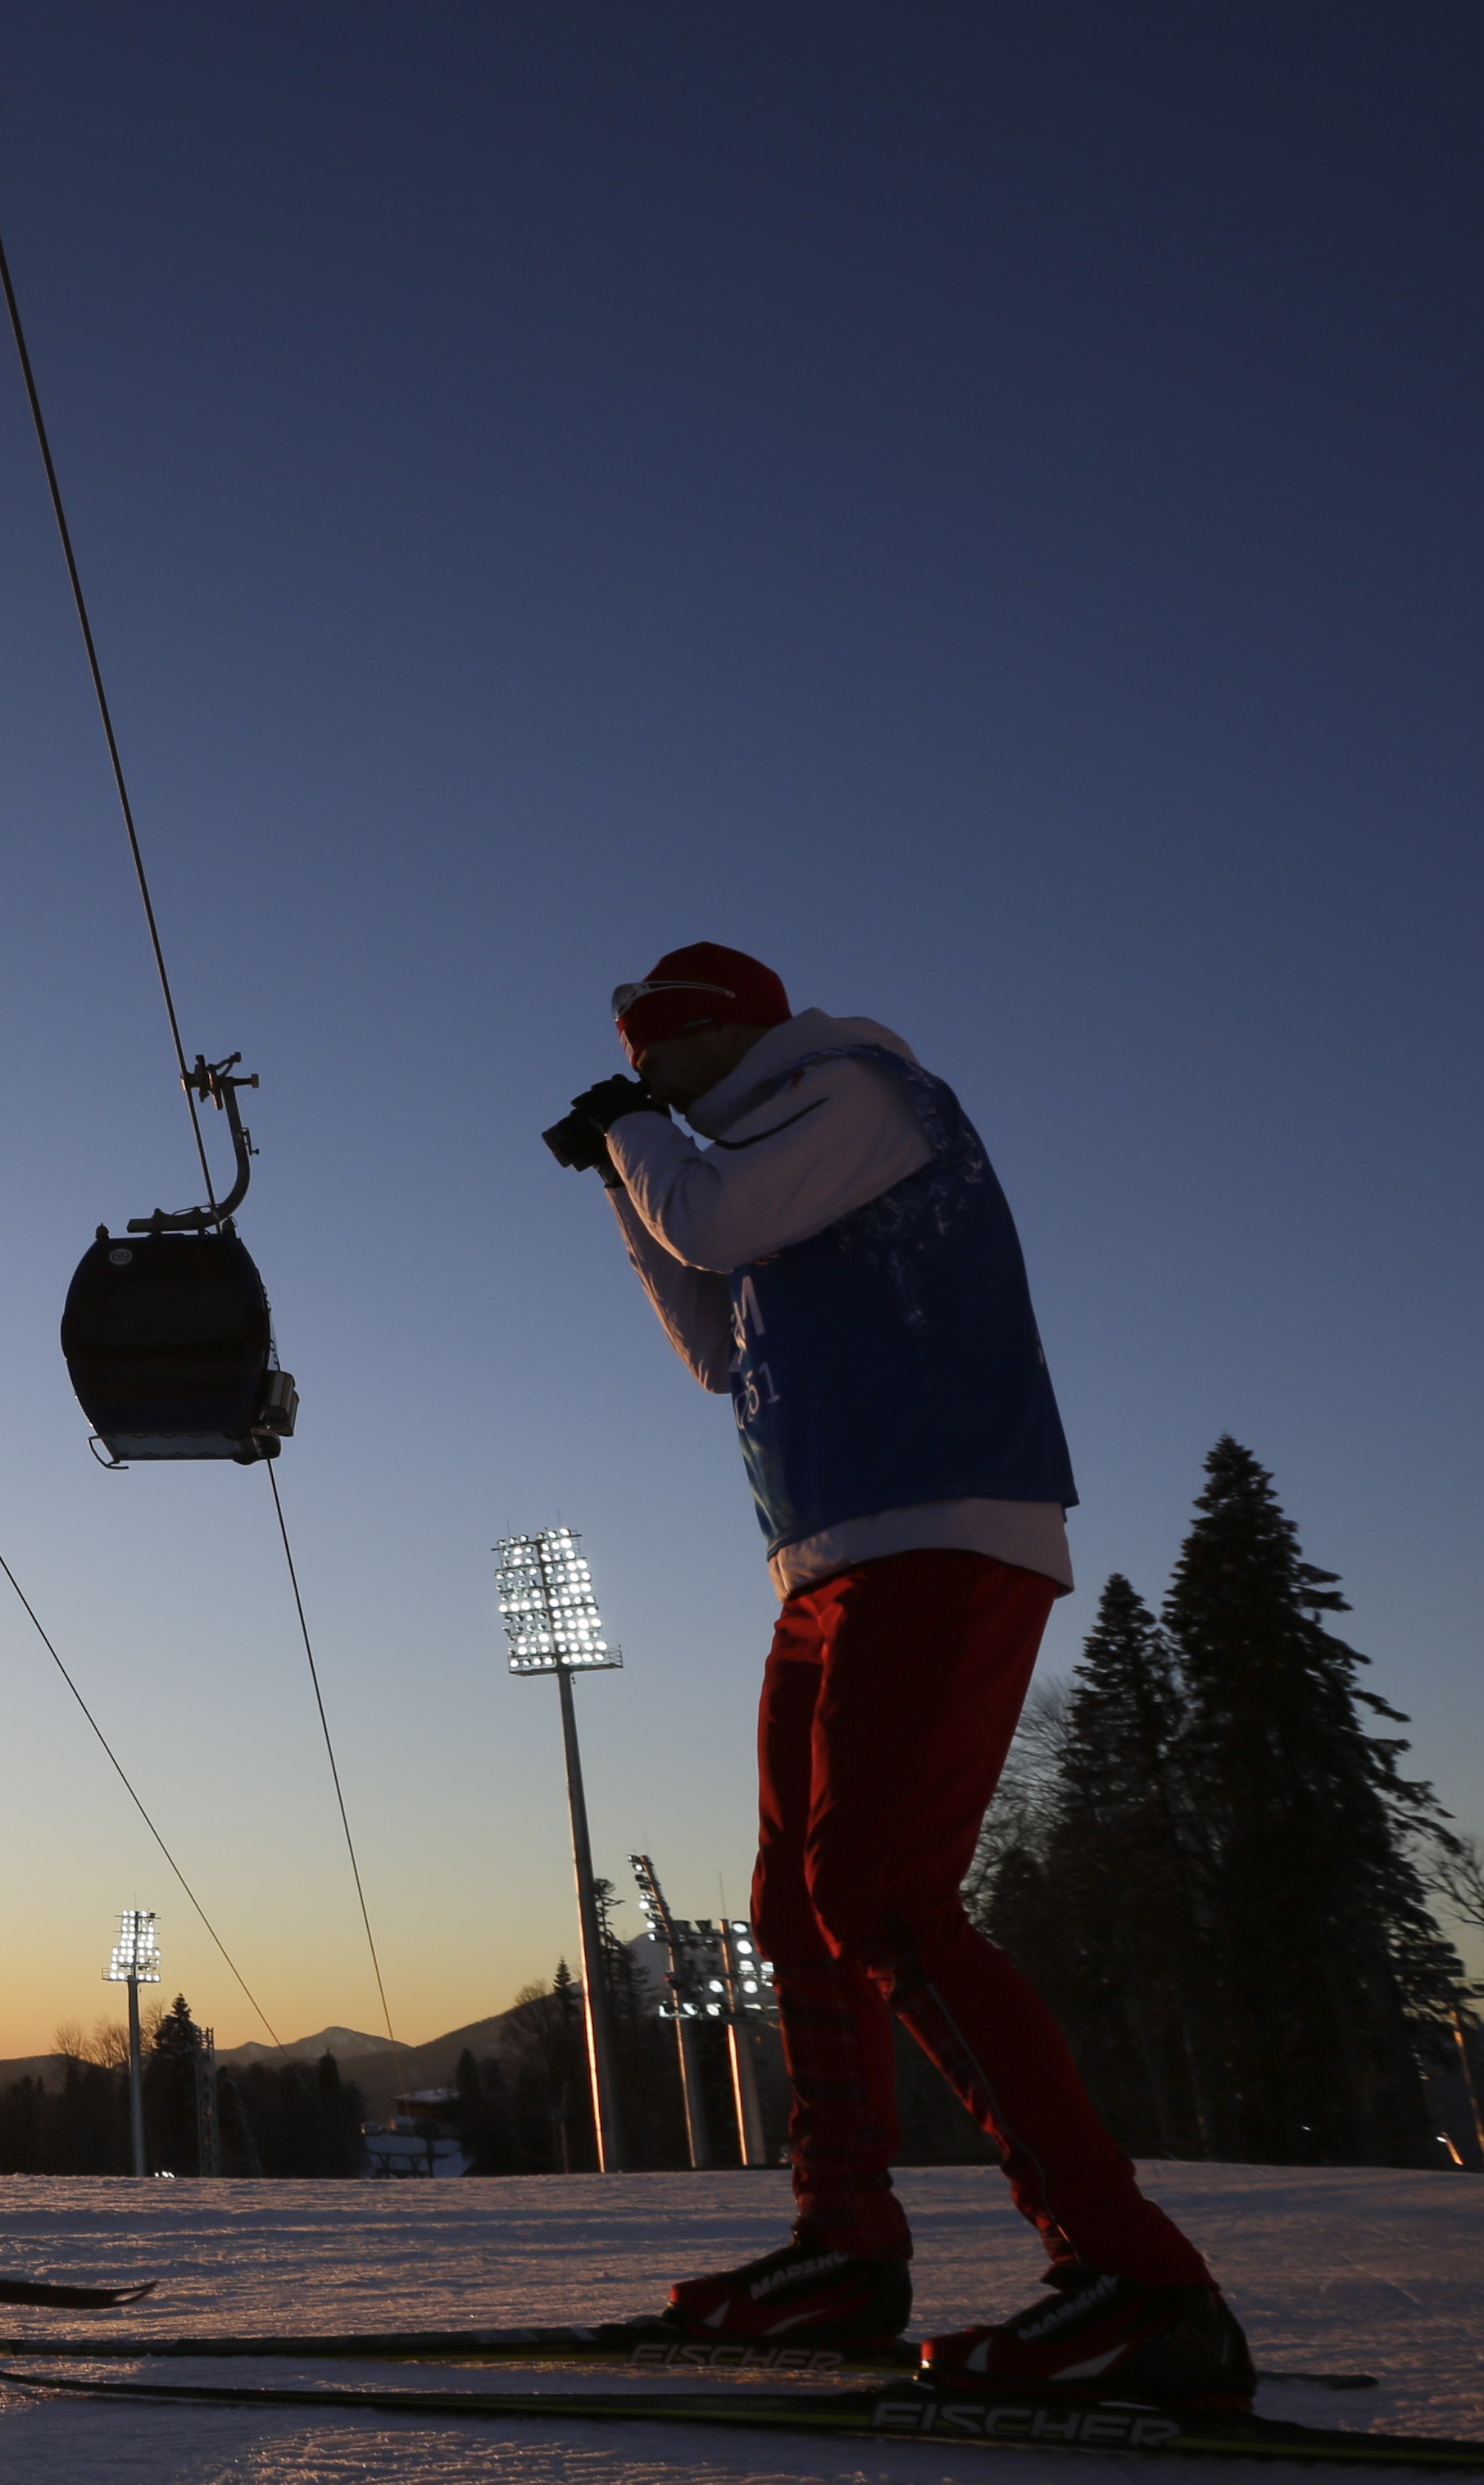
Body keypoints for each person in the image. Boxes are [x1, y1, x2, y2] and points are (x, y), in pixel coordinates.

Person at [544, 943, 1250, 2410]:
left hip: (945, 1520)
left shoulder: (858, 1092)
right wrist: (628, 1185)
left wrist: (634, 1141)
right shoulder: (749, 1157)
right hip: (828, 1552)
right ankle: (842, 2244)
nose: (639, 1072)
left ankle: (1135, 2277)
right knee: (793, 1902)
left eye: (652, 1048)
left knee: (876, 1886)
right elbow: (705, 1333)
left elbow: (718, 1212)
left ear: (724, 1031)